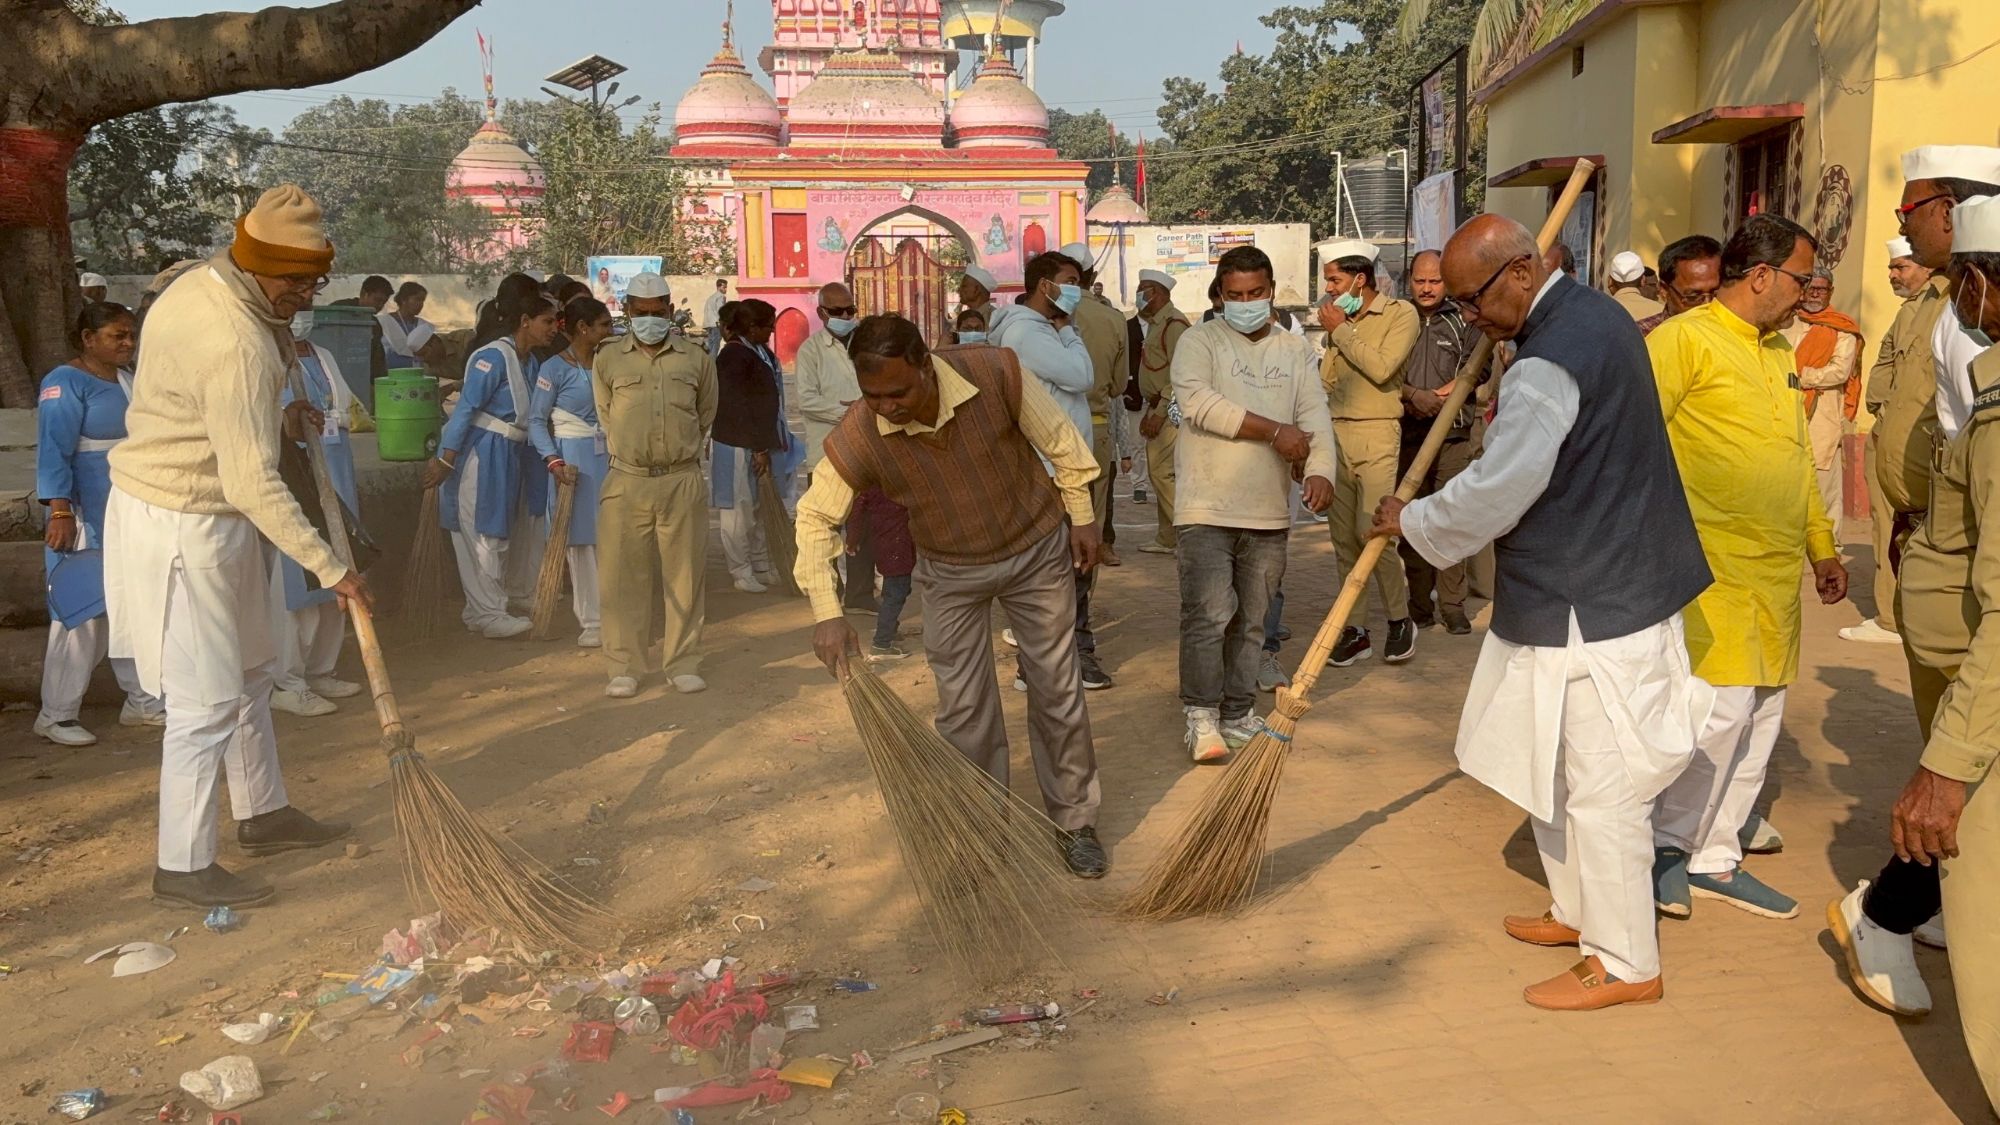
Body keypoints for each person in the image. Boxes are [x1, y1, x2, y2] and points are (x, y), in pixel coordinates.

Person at [1371, 215, 1714, 1011]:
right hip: (1594, 578)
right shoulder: (1598, 315)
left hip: (1593, 596)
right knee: (1555, 770)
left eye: (1474, 300)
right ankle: (1578, 911)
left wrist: (1413, 520)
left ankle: (1625, 959)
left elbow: (1500, 487)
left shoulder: (1547, 362)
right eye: (1456, 304)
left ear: (1522, 271)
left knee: (1601, 787)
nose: (1470, 320)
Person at [104, 183, 360, 908]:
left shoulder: (210, 281)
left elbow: (221, 421)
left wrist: (281, 418)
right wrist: (332, 567)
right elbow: (251, 481)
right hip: (182, 518)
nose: (304, 295)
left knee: (255, 669)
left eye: (313, 281)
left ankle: (263, 810)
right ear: (252, 264)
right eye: (292, 282)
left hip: (219, 511)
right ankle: (181, 862)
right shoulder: (234, 337)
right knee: (205, 700)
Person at [796, 315, 1108, 878]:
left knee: (1056, 689)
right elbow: (815, 516)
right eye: (873, 395)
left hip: (1034, 549)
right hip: (949, 570)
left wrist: (1081, 518)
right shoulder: (860, 433)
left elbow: (1062, 443)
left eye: (899, 392)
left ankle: (1075, 822)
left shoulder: (995, 371)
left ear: (926, 365)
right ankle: (984, 831)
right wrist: (829, 613)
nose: (887, 406)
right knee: (964, 711)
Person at [1827, 147, 2000, 1017]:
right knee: (1965, 762)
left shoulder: (1961, 310)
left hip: (1966, 565)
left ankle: (1910, 906)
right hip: (1961, 577)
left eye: (1913, 207)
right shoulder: (1943, 310)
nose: (1899, 223)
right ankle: (1891, 910)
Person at [1649, 215, 1848, 923]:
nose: (1808, 296)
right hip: (1708, 571)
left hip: (1774, 578)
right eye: (1801, 280)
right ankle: (1667, 847)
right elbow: (1633, 446)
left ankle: (1715, 855)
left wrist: (1821, 548)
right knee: (1714, 717)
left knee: (1761, 719)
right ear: (1761, 276)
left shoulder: (1777, 353)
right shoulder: (1681, 341)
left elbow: (1795, 460)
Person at [1867, 196, 2000, 1110]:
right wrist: (1949, 765)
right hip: (1961, 641)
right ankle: (1887, 917)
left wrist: (1946, 766)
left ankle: (1885, 914)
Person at [1171, 245, 1336, 762]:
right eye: (1235, 295)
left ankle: (1239, 711)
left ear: (1270, 292)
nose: (1245, 303)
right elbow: (1199, 405)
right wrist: (1275, 433)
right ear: (1219, 295)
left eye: (1256, 294)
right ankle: (1201, 716)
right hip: (1205, 505)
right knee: (1209, 614)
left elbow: (1315, 416)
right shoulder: (1199, 341)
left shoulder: (1293, 351)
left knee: (1253, 619)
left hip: (1267, 508)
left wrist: (1320, 471)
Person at [33, 302, 165, 746]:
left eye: (131, 336)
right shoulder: (64, 383)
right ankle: (56, 713)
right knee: (80, 610)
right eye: (117, 336)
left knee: (129, 604)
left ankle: (142, 701)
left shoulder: (128, 380)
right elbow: (54, 450)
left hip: (127, 512)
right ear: (88, 339)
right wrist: (60, 510)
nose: (128, 344)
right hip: (85, 512)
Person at [990, 250, 1112, 691]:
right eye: (1071, 280)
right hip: (1050, 471)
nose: (1077, 289)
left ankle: (1049, 659)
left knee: (1063, 568)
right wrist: (1069, 330)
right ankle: (1067, 658)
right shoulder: (1029, 333)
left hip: (1059, 466)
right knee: (1068, 568)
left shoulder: (1035, 329)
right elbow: (1083, 377)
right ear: (1046, 286)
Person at [592, 272, 716, 699]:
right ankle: (625, 664)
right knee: (624, 576)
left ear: (669, 309)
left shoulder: (696, 357)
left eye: (657, 312)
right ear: (627, 312)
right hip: (628, 480)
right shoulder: (608, 358)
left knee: (684, 577)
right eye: (641, 313)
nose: (650, 319)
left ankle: (683, 661)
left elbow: (705, 413)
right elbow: (606, 413)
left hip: (681, 478)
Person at [424, 289, 560, 639]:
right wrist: (446, 458)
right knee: (482, 532)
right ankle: (488, 611)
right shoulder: (493, 358)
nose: (554, 328)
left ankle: (485, 607)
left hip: (511, 453)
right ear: (525, 322)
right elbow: (467, 407)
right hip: (482, 454)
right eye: (547, 321)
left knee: (502, 529)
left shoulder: (530, 362)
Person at [1318, 239, 1420, 667]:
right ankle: (1355, 628)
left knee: (1374, 533)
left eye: (1334, 279)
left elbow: (1382, 368)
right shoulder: (1338, 319)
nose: (1328, 288)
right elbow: (1327, 379)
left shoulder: (1400, 315)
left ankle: (1400, 618)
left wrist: (1341, 330)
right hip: (1334, 432)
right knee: (1342, 539)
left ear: (1360, 280)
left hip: (1377, 431)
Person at [1842, 237, 1940, 646]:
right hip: (1888, 429)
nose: (1892, 275)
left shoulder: (1942, 308)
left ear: (1926, 267)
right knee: (1889, 528)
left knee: (1900, 530)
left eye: (1901, 267)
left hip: (1916, 439)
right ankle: (1895, 614)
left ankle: (1893, 620)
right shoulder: (1911, 310)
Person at [269, 305, 364, 718]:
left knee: (339, 572)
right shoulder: (269, 361)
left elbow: (347, 408)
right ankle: (288, 680)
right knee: (299, 583)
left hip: (335, 475)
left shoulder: (322, 356)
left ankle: (322, 668)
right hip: (297, 481)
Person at [1397, 248, 1485, 636]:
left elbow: (1475, 370)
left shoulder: (1464, 319)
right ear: (1409, 280)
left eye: (1435, 281)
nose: (1427, 288)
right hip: (1406, 434)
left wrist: (1439, 398)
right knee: (1411, 521)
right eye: (1420, 281)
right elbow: (1383, 371)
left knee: (1451, 519)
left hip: (1452, 435)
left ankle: (1452, 605)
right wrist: (1412, 395)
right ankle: (1418, 605)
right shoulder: (1398, 318)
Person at [528, 296, 615, 650]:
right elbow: (536, 420)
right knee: (581, 541)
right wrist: (553, 460)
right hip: (573, 459)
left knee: (612, 537)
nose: (610, 331)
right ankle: (591, 619)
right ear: (583, 328)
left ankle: (615, 613)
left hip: (609, 456)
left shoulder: (609, 362)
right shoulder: (552, 368)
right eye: (605, 325)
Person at [796, 282, 873, 611]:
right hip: (825, 451)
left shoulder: (866, 345)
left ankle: (861, 595)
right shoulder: (810, 351)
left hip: (866, 449)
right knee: (826, 527)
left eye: (850, 311)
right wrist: (850, 411)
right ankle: (828, 595)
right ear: (821, 313)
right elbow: (807, 400)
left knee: (863, 528)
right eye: (837, 311)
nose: (845, 316)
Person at [1061, 243, 1130, 577]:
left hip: (1052, 428)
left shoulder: (1045, 317)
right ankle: (1082, 612)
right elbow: (1119, 386)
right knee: (1093, 517)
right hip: (1097, 426)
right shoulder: (1113, 318)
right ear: (1093, 276)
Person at [712, 299, 790, 594]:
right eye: (769, 325)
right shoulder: (733, 356)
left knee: (759, 507)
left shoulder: (759, 352)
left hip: (760, 441)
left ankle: (760, 562)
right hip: (736, 443)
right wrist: (757, 447)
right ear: (752, 327)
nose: (772, 330)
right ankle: (740, 569)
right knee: (737, 509)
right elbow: (737, 406)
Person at [1781, 270, 1864, 525]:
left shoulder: (1842, 328)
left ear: (1831, 292)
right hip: (1785, 411)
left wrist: (1802, 377)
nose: (1815, 293)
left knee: (1825, 489)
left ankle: (1831, 551)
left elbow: (1840, 371)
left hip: (1822, 415)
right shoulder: (1786, 323)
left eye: (1822, 289)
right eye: (1811, 287)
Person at [1135, 269, 1191, 554]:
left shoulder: (1174, 324)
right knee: (1163, 472)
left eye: (1143, 288)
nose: (1139, 294)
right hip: (1157, 403)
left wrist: (1159, 412)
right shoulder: (1157, 323)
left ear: (1156, 292)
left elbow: (1180, 374)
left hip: (1170, 406)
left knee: (1160, 472)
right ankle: (1167, 537)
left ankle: (1187, 534)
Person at [850, 487, 914, 660]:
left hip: (884, 547)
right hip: (898, 549)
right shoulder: (897, 483)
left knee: (893, 592)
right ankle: (881, 643)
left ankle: (889, 631)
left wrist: (852, 540)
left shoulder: (869, 488)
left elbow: (857, 512)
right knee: (895, 595)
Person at [1637, 235, 1724, 336]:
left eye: (1716, 294)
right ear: (1664, 290)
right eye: (1694, 297)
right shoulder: (1641, 338)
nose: (1707, 305)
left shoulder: (1735, 334)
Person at [378, 281, 440, 372]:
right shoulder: (384, 322)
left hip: (416, 376)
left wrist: (429, 352)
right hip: (390, 376)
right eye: (417, 299)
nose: (420, 304)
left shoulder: (422, 325)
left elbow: (435, 358)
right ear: (404, 300)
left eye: (422, 301)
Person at [1606, 251, 1664, 321]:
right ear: (1643, 280)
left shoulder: (1599, 310)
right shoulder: (1661, 312)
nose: (1657, 290)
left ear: (1610, 281)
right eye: (1653, 285)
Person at [703, 278, 730, 355]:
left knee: (710, 347)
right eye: (724, 287)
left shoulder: (711, 298)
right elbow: (721, 311)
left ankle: (708, 364)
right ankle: (713, 365)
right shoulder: (721, 296)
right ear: (718, 287)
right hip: (716, 324)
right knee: (715, 347)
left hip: (708, 324)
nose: (725, 289)